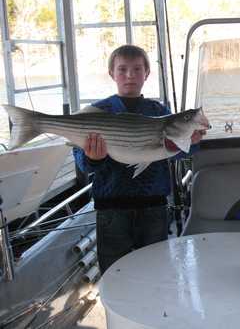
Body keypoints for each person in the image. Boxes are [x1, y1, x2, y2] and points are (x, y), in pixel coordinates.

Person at [73, 44, 205, 273]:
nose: (130, 75)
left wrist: (191, 143)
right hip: (111, 209)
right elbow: (83, 164)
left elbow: (177, 155)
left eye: (136, 69)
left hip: (154, 207)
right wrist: (93, 159)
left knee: (156, 271)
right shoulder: (98, 111)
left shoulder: (159, 111)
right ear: (111, 73)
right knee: (114, 273)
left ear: (147, 73)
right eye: (122, 69)